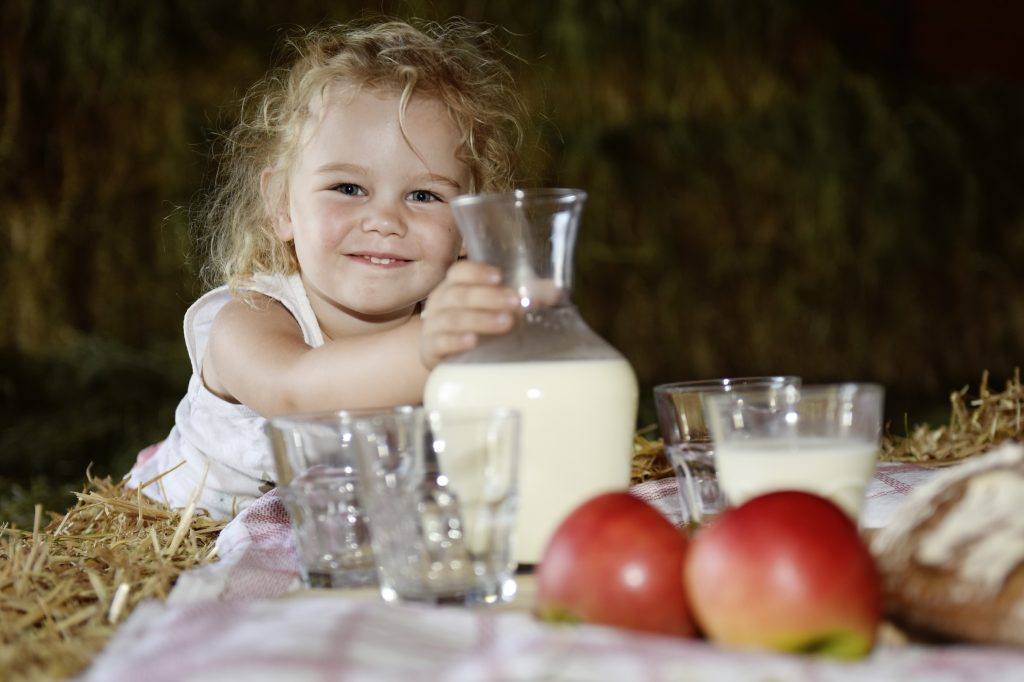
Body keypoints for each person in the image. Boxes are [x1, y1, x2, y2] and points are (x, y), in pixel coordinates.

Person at [128, 18, 529, 519]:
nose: (384, 220)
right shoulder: (248, 320)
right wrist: (432, 347)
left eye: (424, 195)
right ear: (281, 204)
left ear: (471, 225)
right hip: (186, 539)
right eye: (348, 188)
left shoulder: (448, 325)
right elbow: (296, 395)